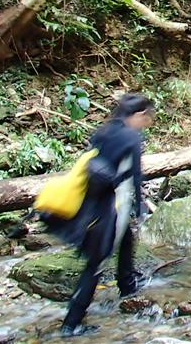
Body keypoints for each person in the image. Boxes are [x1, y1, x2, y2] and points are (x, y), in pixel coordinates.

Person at [53, 93, 154, 336]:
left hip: (92, 204)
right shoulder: (131, 137)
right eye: (148, 117)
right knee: (96, 264)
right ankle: (71, 323)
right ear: (139, 115)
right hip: (112, 207)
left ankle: (127, 285)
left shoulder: (104, 131)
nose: (149, 122)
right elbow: (134, 177)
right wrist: (140, 209)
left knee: (127, 237)